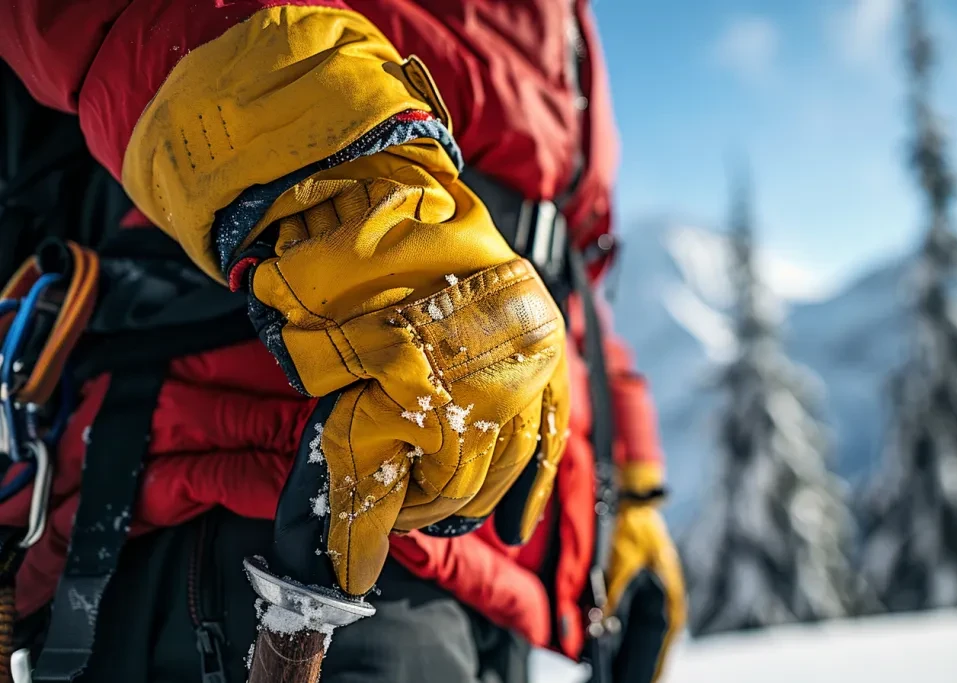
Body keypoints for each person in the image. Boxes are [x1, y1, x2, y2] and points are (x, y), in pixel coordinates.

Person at [0, 2, 685, 682]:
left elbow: (573, 285)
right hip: (254, 489)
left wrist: (627, 484)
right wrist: (347, 184)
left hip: (497, 558)